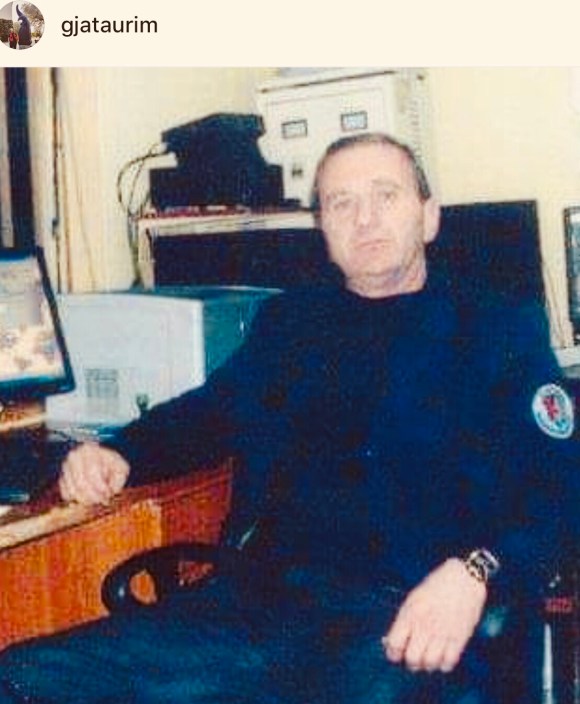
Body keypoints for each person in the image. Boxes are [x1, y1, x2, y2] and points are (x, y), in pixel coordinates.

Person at [0, 132, 575, 703]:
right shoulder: (293, 325)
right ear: (323, 227)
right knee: (24, 676)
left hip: (404, 615)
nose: (365, 219)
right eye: (341, 203)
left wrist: (476, 571)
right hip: (255, 611)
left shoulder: (496, 331)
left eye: (386, 195)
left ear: (428, 217)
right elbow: (208, 413)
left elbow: (560, 485)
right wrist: (120, 452)